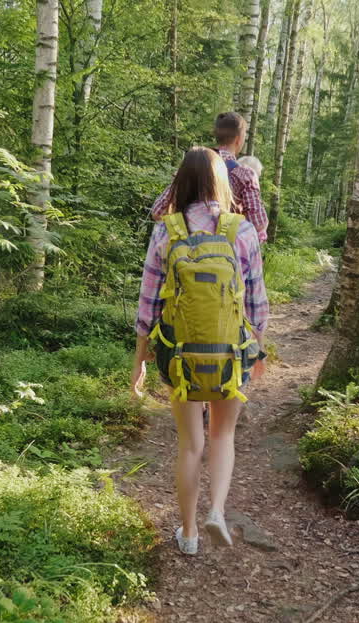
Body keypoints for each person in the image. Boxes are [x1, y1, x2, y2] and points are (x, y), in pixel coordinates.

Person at [132, 148, 268, 555]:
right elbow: (257, 305)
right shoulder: (240, 230)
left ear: (181, 183)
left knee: (190, 444)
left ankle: (188, 534)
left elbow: (148, 304)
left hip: (180, 357)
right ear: (221, 182)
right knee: (223, 434)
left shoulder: (165, 232)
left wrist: (139, 360)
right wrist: (256, 354)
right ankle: (217, 512)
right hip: (230, 354)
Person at [151, 112, 268, 243]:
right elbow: (258, 223)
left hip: (184, 253)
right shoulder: (245, 174)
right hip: (226, 254)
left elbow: (157, 212)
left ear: (217, 136)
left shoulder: (191, 165)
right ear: (238, 139)